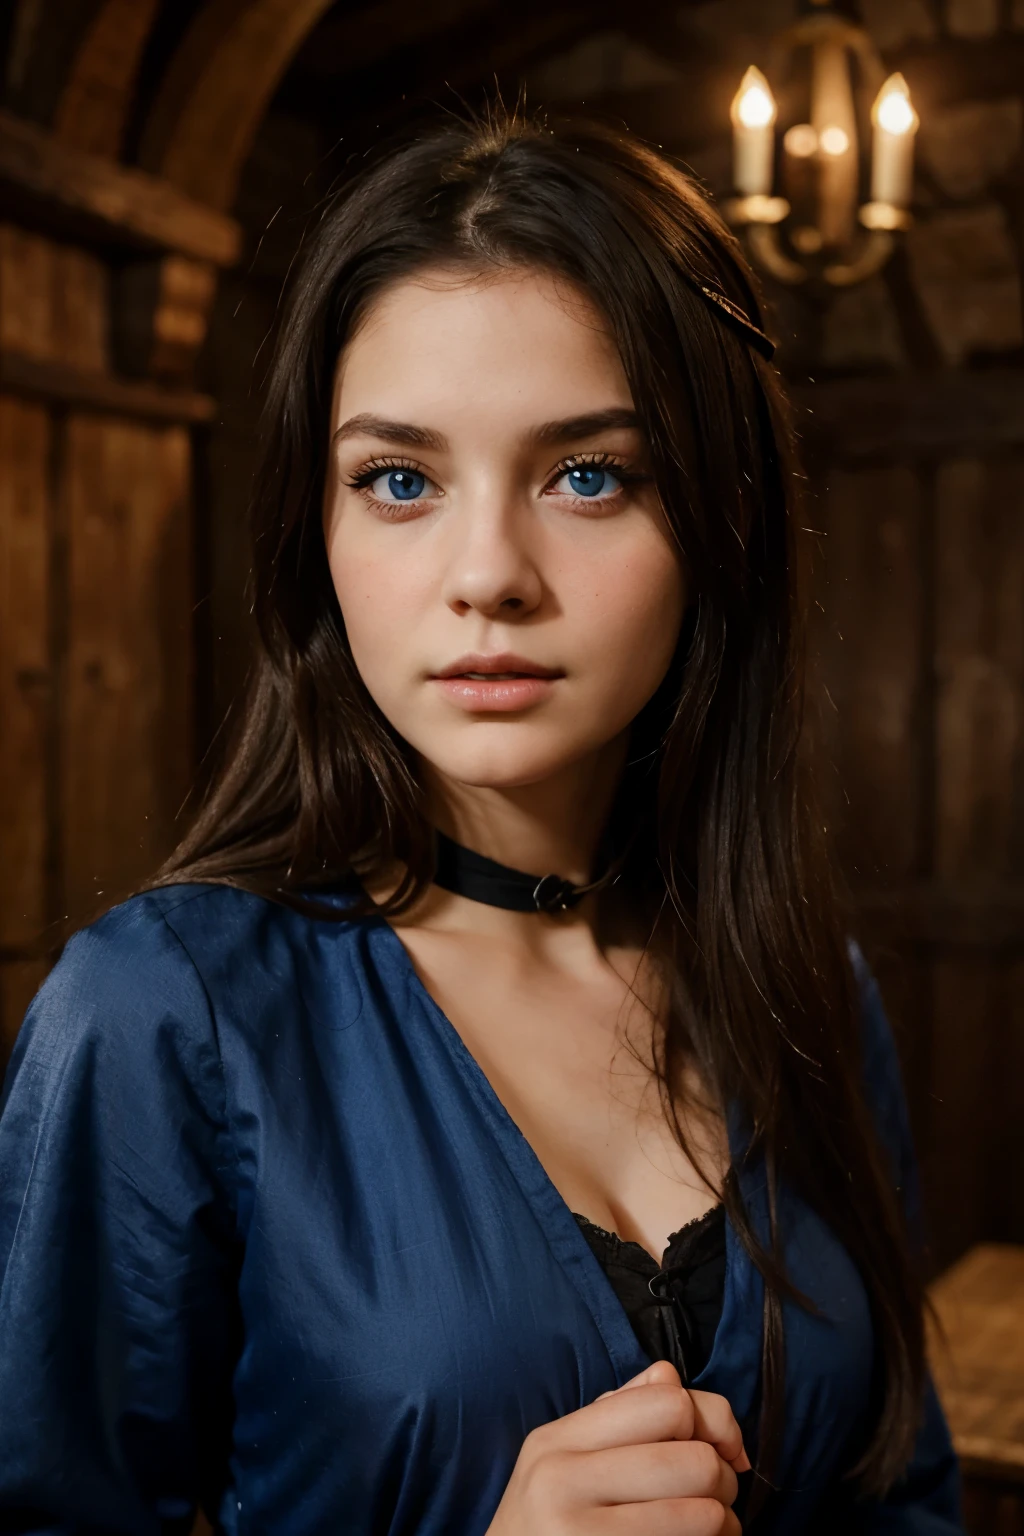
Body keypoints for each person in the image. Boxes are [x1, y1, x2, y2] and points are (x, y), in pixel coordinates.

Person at [0, 105, 963, 1535]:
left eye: (590, 474)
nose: (488, 575)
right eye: (399, 481)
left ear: (724, 520)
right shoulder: (161, 1016)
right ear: (314, 538)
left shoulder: (807, 989)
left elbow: (903, 1497)